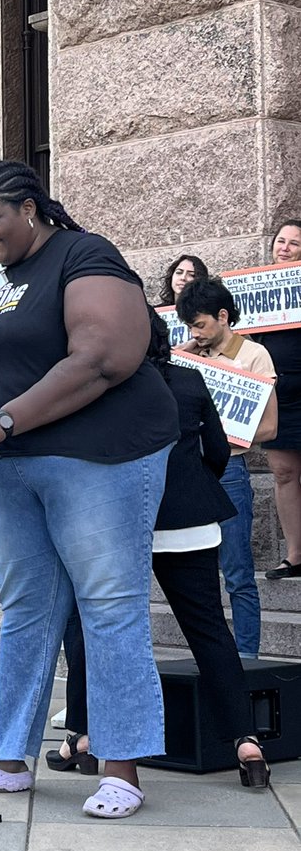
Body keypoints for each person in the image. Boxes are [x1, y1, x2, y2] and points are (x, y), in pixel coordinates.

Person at [0, 159, 179, 819]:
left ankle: (121, 768)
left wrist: (6, 417)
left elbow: (103, 356)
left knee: (108, 606)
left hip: (101, 455)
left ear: (30, 209)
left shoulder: (84, 254)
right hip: (15, 463)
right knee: (27, 610)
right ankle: (9, 761)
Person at [48, 308, 270, 790]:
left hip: (117, 523)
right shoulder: (190, 380)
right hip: (190, 518)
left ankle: (82, 736)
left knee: (94, 626)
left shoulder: (104, 386)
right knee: (210, 631)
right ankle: (247, 743)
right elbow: (217, 449)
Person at [176, 278, 278, 656]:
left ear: (223, 316)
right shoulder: (190, 355)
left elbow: (269, 427)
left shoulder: (253, 355)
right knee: (199, 575)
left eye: (199, 325)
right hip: (191, 470)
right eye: (188, 326)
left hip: (230, 469)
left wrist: (229, 438)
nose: (195, 333)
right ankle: (214, 657)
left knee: (237, 572)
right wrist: (185, 352)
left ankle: (247, 658)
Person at [258, 221, 301, 579]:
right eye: (280, 242)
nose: (284, 248)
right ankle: (295, 555)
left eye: (294, 243)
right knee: (284, 472)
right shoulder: (257, 289)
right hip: (279, 394)